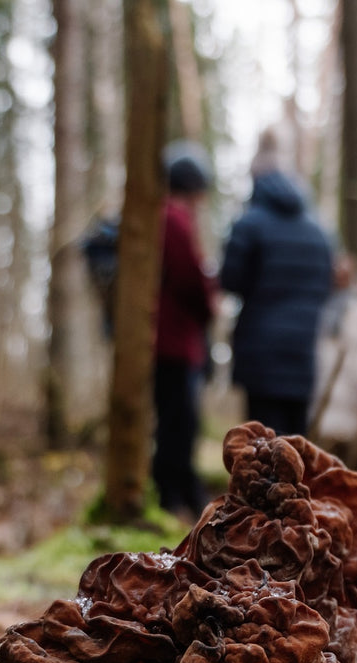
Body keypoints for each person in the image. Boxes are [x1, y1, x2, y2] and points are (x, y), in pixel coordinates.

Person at [219, 131, 334, 436]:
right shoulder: (319, 232)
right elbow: (327, 285)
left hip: (260, 359)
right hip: (303, 357)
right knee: (295, 451)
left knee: (261, 452)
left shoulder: (249, 224)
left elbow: (229, 280)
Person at [152, 141, 218, 519]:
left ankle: (180, 492)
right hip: (174, 341)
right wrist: (210, 297)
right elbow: (190, 279)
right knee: (178, 421)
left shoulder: (167, 218)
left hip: (173, 340)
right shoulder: (173, 219)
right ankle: (171, 498)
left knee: (179, 420)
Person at [310, 253, 357, 463]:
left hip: (350, 384)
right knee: (321, 441)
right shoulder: (323, 307)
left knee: (346, 443)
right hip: (324, 382)